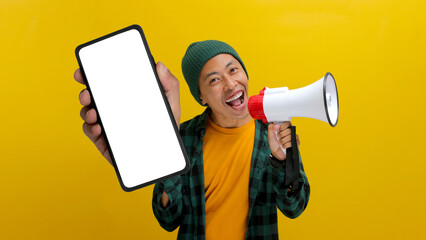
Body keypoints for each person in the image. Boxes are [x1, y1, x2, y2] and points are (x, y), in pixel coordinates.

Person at [74, 40, 310, 240]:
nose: (230, 84)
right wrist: (164, 163)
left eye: (233, 70)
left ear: (245, 74)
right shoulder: (181, 137)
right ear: (201, 96)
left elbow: (294, 208)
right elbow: (168, 219)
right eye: (214, 80)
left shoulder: (276, 132)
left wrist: (282, 160)